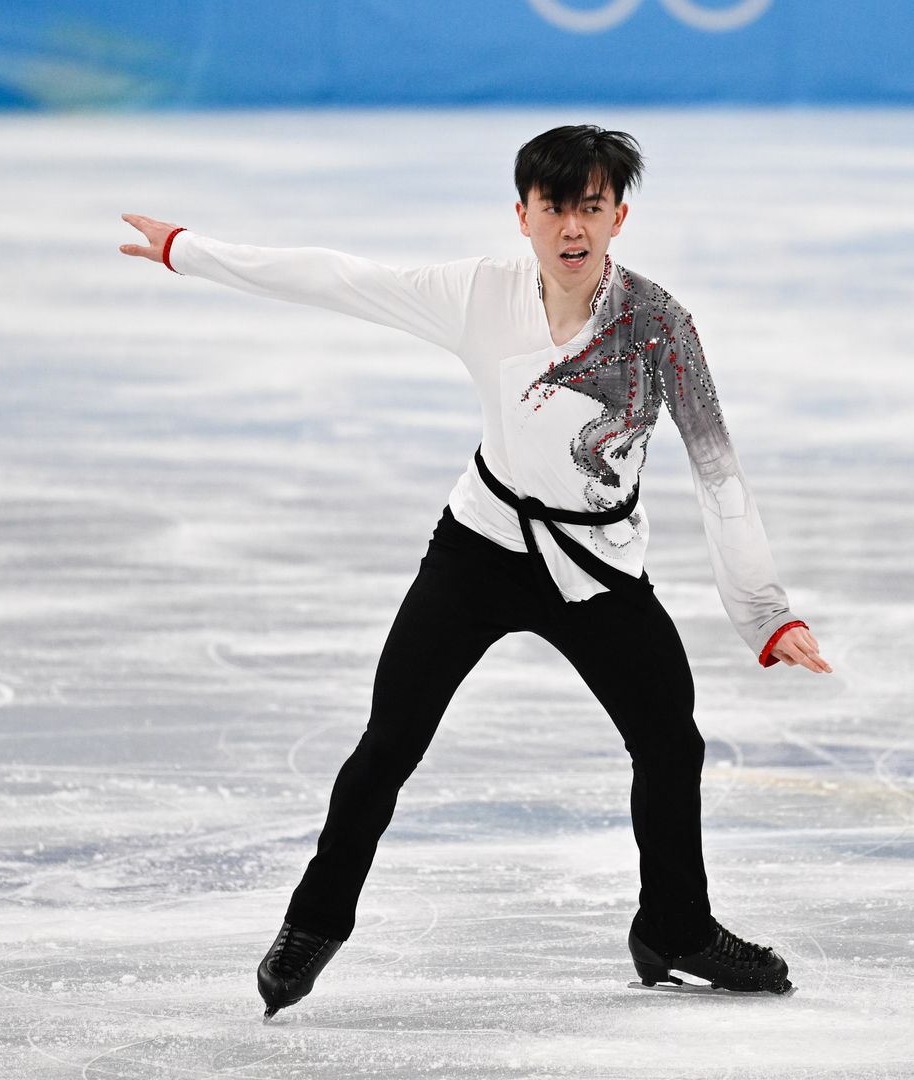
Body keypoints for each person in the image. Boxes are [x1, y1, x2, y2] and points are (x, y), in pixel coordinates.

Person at [119, 124, 830, 1018]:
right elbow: (341, 278)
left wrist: (767, 615)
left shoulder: (657, 326)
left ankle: (676, 930)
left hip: (596, 563)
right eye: (555, 208)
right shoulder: (479, 295)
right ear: (523, 216)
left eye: (592, 208)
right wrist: (191, 251)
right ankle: (316, 918)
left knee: (669, 740)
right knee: (392, 737)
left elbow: (715, 468)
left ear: (619, 217)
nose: (573, 227)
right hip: (480, 546)